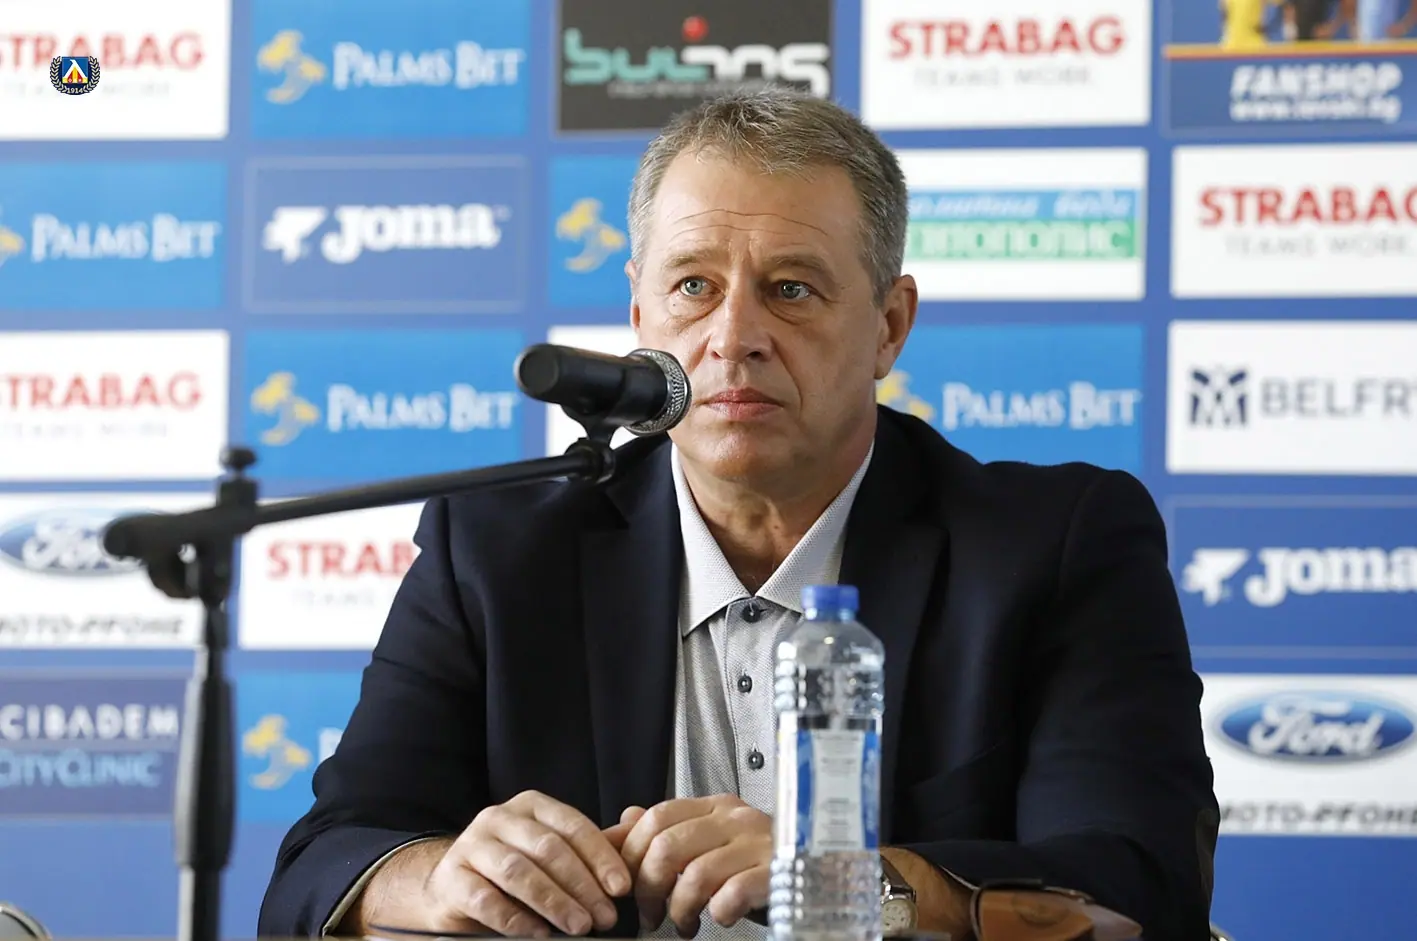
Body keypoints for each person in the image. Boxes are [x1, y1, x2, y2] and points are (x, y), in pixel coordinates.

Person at [257, 88, 1218, 941]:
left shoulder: (1053, 545)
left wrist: (848, 881)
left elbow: (1138, 885)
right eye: (693, 286)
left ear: (887, 327)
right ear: (639, 314)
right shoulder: (498, 551)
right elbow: (324, 864)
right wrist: (441, 878)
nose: (732, 337)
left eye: (790, 289)